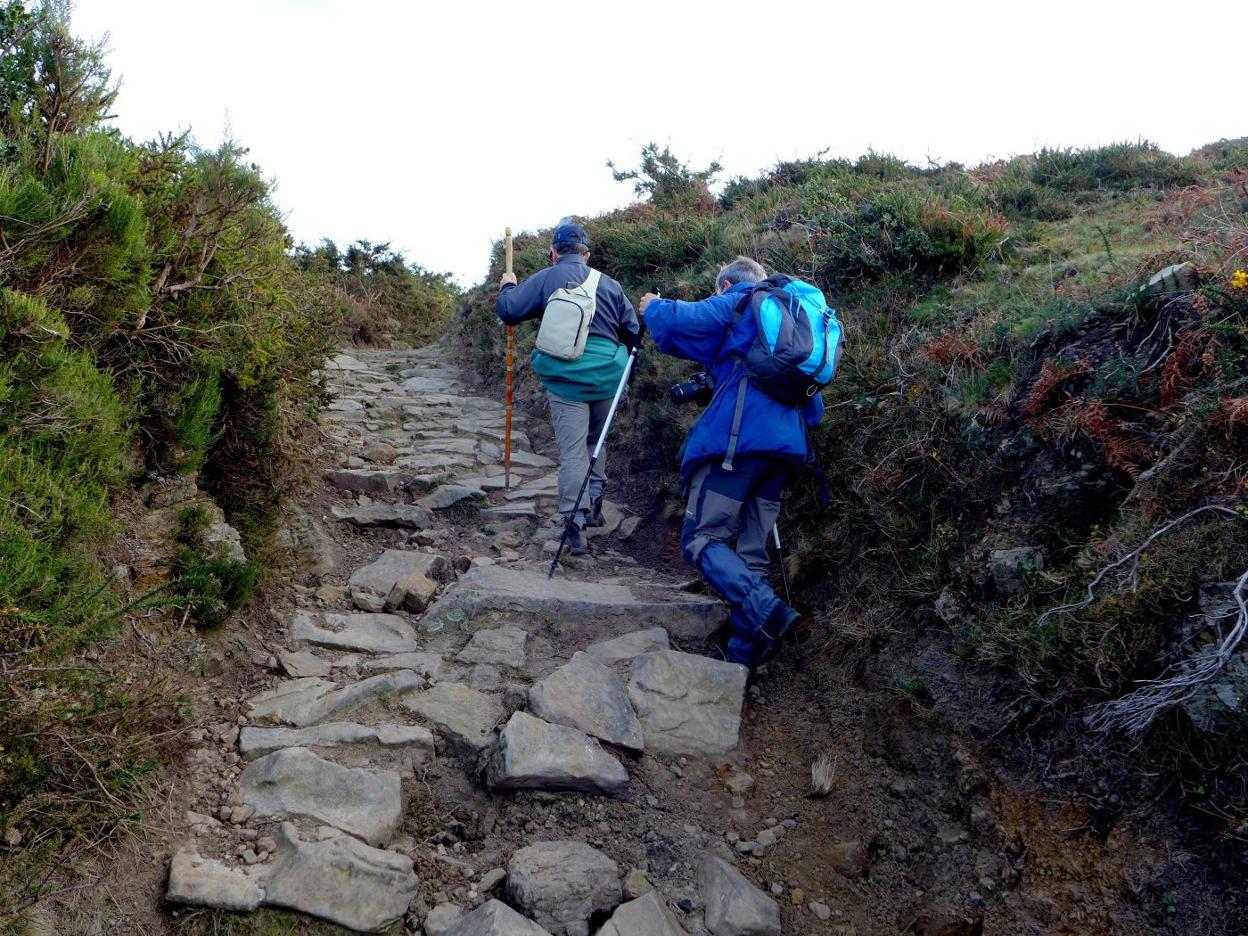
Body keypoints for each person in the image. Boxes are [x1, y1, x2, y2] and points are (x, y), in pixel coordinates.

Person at [638, 257, 823, 669]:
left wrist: (653, 306)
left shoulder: (741, 298)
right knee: (752, 552)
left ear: (725, 284)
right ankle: (744, 655)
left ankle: (766, 610)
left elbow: (684, 320)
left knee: (702, 540)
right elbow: (815, 410)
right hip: (785, 452)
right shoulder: (789, 329)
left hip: (737, 447)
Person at [496, 220, 641, 555]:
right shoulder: (610, 285)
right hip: (607, 376)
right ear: (586, 254)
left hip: (567, 380)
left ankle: (574, 526)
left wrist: (508, 285)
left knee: (573, 451)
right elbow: (633, 333)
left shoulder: (548, 278)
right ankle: (595, 503)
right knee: (596, 441)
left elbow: (509, 310)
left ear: (553, 253)